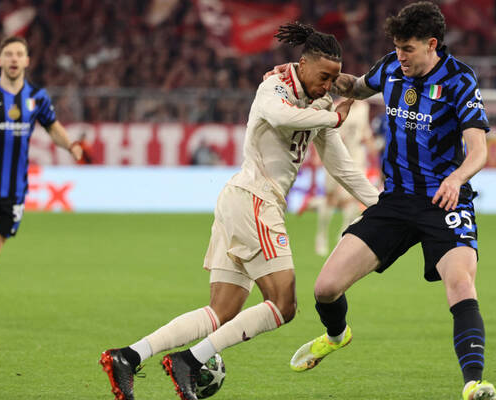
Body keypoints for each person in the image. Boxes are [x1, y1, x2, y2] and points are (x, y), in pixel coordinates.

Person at [99, 22, 380, 400]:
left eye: (333, 79)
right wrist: (334, 117)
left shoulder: (322, 107)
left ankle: (129, 356)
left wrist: (383, 205)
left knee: (221, 310)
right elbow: (281, 117)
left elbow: (342, 167)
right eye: (323, 76)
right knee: (284, 304)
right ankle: (189, 361)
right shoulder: (274, 87)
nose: (327, 86)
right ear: (303, 64)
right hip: (254, 200)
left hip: (242, 202)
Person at [273, 3, 496, 400]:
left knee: (461, 284)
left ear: (432, 44)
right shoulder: (391, 68)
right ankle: (336, 336)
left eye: (408, 48)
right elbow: (355, 87)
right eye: (396, 47)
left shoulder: (459, 80)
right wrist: (300, 73)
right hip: (394, 201)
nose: (400, 56)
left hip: (444, 202)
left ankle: (474, 383)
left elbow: (479, 150)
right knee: (325, 288)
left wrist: (457, 178)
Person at [0, 36, 82, 324]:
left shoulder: (37, 97)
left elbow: (53, 128)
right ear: (0, 60)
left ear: (26, 61)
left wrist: (71, 145)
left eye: (19, 54)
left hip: (15, 189)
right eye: (8, 54)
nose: (13, 58)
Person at [314, 99, 374, 256]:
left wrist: (373, 149)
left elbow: (365, 131)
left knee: (353, 197)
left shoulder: (364, 107)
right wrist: (317, 154)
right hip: (335, 155)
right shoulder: (334, 106)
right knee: (330, 197)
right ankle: (321, 235)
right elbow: (322, 130)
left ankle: (343, 235)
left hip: (356, 156)